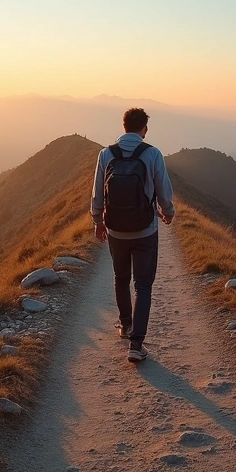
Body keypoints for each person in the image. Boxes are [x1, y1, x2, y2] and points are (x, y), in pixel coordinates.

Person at [90, 108, 175, 362]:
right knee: (143, 285)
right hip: (145, 230)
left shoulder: (106, 154)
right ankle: (136, 345)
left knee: (120, 278)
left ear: (123, 126)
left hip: (115, 229)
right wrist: (167, 212)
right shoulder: (153, 154)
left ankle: (125, 325)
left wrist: (97, 221)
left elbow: (97, 192)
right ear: (144, 129)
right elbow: (164, 191)